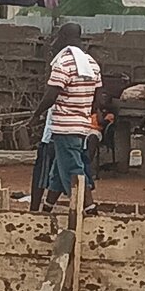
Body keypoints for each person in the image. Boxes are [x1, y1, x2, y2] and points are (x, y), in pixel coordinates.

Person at [29, 23, 102, 215]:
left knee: (73, 169)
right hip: (82, 126)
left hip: (64, 127)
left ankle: (89, 208)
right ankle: (47, 208)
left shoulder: (63, 64)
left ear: (62, 37)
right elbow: (97, 100)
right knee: (59, 169)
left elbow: (51, 96)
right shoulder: (93, 65)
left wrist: (36, 115)